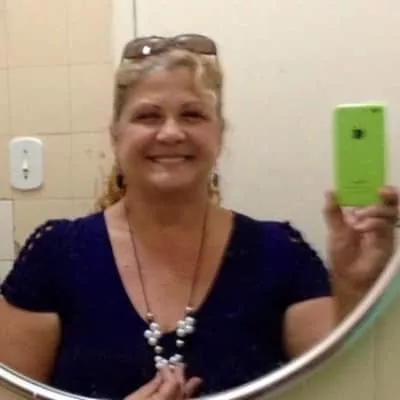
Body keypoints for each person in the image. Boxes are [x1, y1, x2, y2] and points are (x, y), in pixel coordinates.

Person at [0, 34, 398, 400]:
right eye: (148, 116)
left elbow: (340, 385)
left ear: (220, 135)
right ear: (115, 136)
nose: (171, 133)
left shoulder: (280, 254)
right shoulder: (55, 256)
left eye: (192, 115)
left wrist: (354, 285)